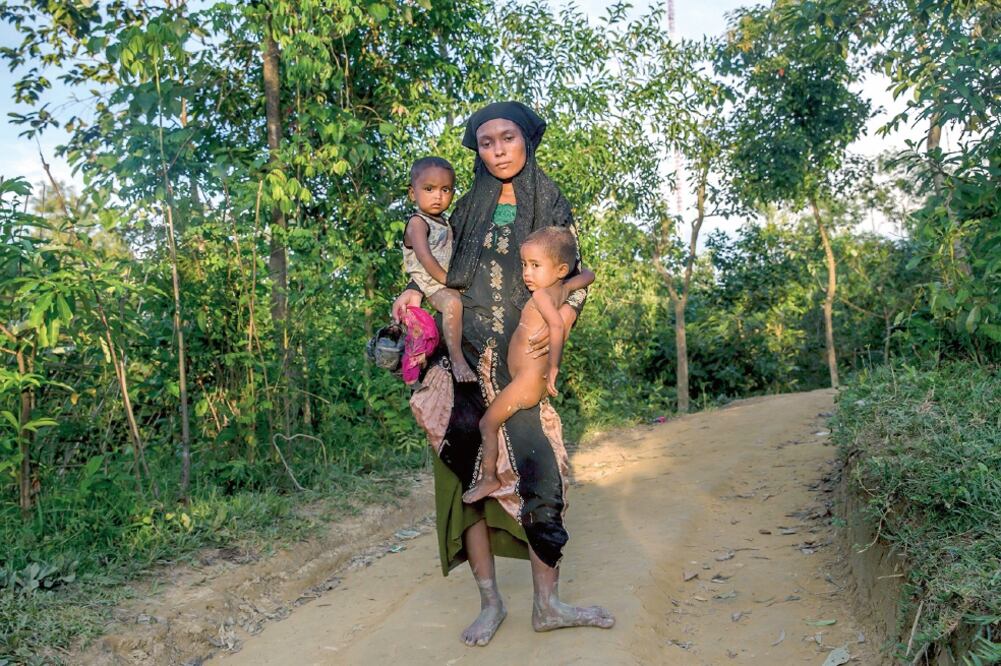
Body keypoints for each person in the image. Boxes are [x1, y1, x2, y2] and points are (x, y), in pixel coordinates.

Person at [392, 101, 614, 646]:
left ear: (526, 141)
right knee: (466, 480)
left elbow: (575, 274)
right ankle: (490, 602)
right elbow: (436, 266)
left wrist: (564, 315)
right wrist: (412, 291)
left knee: (542, 474)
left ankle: (548, 604)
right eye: (486, 142)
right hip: (463, 365)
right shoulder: (465, 207)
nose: (497, 150)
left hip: (520, 366)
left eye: (507, 138)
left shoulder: (552, 202)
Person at [462, 226, 595, 504]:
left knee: (487, 424)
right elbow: (587, 275)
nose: (527, 273)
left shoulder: (541, 296)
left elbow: (556, 326)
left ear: (560, 269)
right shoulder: (562, 288)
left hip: (527, 382)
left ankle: (489, 478)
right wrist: (581, 273)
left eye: (535, 265)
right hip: (527, 379)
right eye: (524, 264)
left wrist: (554, 367)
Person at [402, 156, 476, 382]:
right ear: (412, 193)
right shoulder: (417, 223)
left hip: (444, 280)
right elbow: (425, 257)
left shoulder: (443, 221)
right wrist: (447, 279)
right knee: (452, 304)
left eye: (445, 190)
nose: (438, 196)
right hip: (431, 283)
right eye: (429, 189)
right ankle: (457, 360)